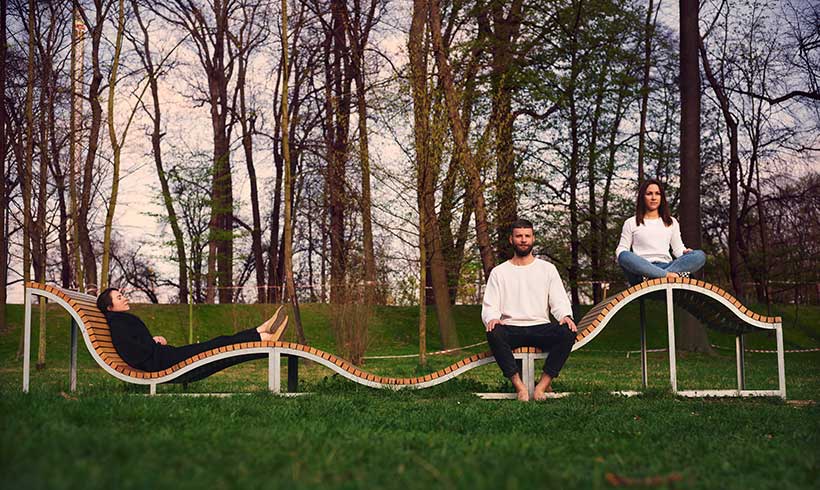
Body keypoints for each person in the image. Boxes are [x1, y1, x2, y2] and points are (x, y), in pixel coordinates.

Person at [482, 219, 577, 402]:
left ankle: (541, 386)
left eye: (527, 236)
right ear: (511, 239)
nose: (523, 240)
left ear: (533, 238)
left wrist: (565, 316)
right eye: (519, 236)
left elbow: (558, 300)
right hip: (511, 328)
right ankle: (520, 387)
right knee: (494, 331)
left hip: (540, 327)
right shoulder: (499, 272)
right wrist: (492, 318)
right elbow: (490, 305)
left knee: (568, 331)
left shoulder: (547, 269)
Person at [96, 288, 288, 373]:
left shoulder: (120, 321)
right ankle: (262, 336)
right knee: (218, 345)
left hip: (165, 356)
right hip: (164, 361)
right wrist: (153, 344)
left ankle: (262, 332)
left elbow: (135, 346)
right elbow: (135, 353)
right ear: (110, 307)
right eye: (119, 297)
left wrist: (153, 341)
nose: (125, 298)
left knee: (219, 343)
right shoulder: (118, 324)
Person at [615, 179, 706, 286]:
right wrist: (624, 256)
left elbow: (678, 249)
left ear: (661, 197)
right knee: (624, 255)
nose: (653, 198)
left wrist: (685, 252)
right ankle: (664, 275)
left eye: (657, 194)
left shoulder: (671, 222)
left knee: (699, 255)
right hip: (642, 269)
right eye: (649, 194)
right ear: (642, 197)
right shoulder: (631, 222)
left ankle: (657, 276)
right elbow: (621, 249)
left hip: (667, 265)